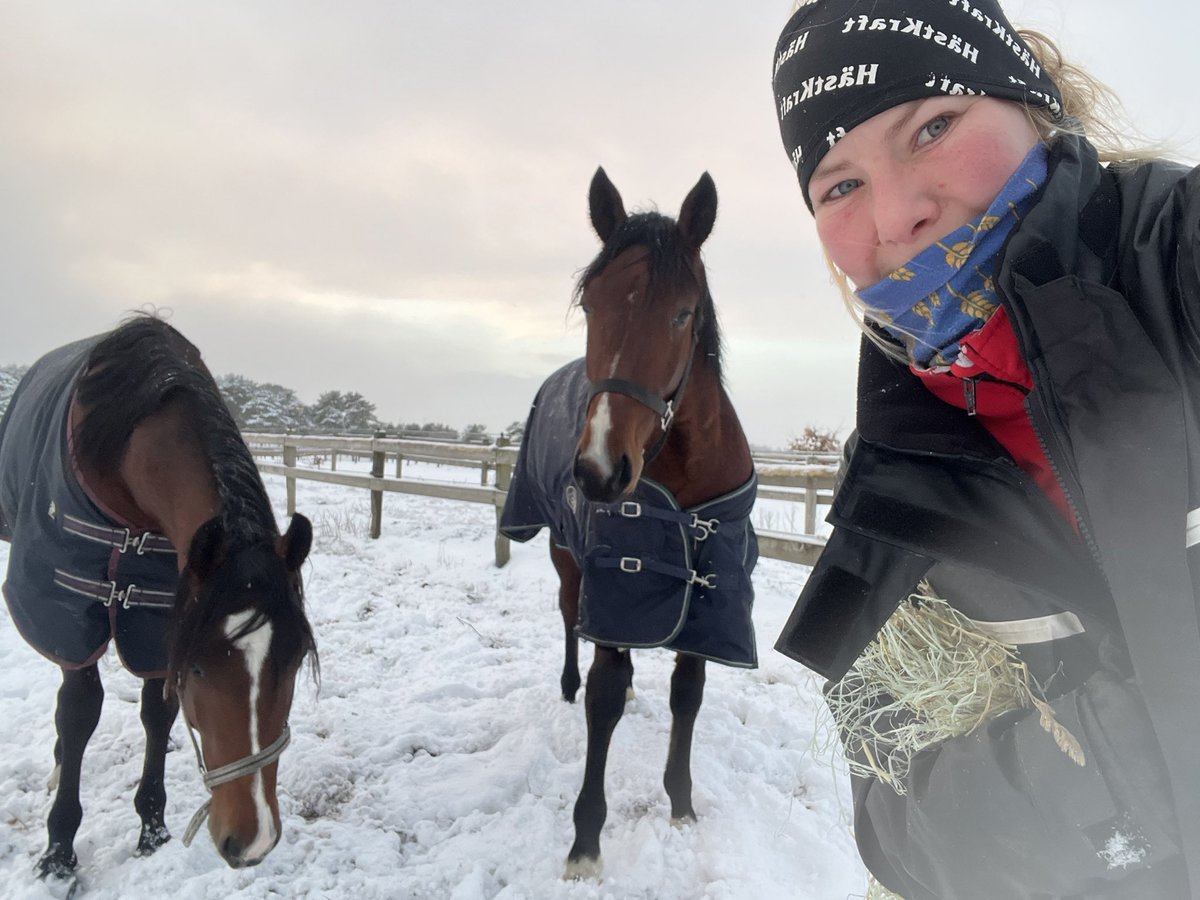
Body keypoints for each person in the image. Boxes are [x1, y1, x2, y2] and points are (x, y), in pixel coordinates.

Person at [770, 1, 1200, 897]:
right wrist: (1126, 764)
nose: (898, 213)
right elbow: (899, 832)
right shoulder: (888, 485)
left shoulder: (1186, 260)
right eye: (838, 185)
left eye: (933, 126)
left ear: (1030, 100)